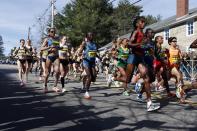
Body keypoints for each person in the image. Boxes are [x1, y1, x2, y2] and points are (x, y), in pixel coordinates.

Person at [78, 32, 98, 99]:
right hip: (86, 61)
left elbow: (95, 53)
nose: (91, 36)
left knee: (94, 77)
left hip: (92, 62)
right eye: (90, 35)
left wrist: (99, 57)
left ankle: (83, 76)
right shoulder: (85, 44)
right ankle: (86, 92)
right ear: (87, 37)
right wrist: (82, 55)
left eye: (92, 35)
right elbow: (79, 53)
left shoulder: (94, 44)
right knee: (89, 76)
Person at [40, 28, 60, 93]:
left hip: (56, 56)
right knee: (47, 73)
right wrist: (49, 48)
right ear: (49, 33)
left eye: (54, 31)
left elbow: (58, 46)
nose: (53, 32)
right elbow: (41, 48)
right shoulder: (47, 39)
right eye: (52, 31)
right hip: (49, 56)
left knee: (57, 71)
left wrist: (60, 47)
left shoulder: (57, 39)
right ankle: (45, 86)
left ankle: (54, 86)